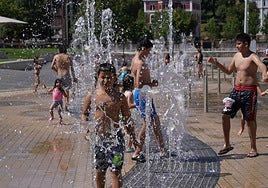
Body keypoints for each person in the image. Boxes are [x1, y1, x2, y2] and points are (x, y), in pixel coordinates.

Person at [81, 63, 144, 188]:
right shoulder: (92, 95)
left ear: (115, 78)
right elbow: (84, 114)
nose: (106, 80)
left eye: (109, 77)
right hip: (99, 139)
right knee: (100, 171)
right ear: (98, 77)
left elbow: (127, 120)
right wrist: (85, 127)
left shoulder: (119, 98)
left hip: (116, 140)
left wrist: (133, 138)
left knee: (116, 171)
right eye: (103, 77)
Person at [207, 33, 268, 158]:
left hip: (249, 92)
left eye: (239, 44)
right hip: (235, 91)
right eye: (236, 43)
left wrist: (264, 74)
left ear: (246, 44)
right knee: (225, 114)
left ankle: (253, 148)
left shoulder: (252, 56)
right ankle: (227, 144)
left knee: (249, 120)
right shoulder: (236, 56)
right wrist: (216, 63)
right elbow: (229, 71)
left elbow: (262, 66)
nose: (237, 46)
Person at [130, 37, 167, 159]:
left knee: (155, 121)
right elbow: (138, 84)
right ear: (144, 49)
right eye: (148, 51)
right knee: (148, 123)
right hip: (142, 94)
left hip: (142, 94)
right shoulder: (140, 62)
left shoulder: (134, 60)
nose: (149, 53)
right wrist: (152, 84)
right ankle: (137, 151)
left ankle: (163, 150)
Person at [50, 45, 77, 111]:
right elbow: (72, 69)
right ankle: (66, 106)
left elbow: (51, 66)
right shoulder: (68, 57)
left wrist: (57, 71)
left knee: (59, 90)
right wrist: (74, 78)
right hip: (66, 75)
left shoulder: (56, 57)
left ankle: (58, 105)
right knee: (66, 91)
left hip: (59, 75)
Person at [122, 74, 136, 152]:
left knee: (125, 131)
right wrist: (138, 105)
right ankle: (128, 147)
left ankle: (123, 144)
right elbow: (129, 105)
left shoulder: (124, 92)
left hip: (122, 115)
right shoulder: (130, 93)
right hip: (127, 115)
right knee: (131, 131)